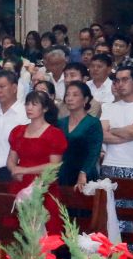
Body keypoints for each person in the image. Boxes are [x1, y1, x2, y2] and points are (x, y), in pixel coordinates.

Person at [8, 90, 68, 233]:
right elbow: (11, 158)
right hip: (20, 184)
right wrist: (13, 169)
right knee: (15, 230)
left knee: (45, 231)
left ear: (45, 108)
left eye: (34, 104)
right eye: (27, 104)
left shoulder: (54, 133)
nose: (29, 108)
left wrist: (24, 170)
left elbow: (54, 165)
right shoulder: (18, 131)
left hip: (43, 185)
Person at [100, 66, 133, 180]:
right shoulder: (108, 107)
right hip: (109, 164)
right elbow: (101, 135)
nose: (120, 84)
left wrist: (112, 130)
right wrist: (128, 133)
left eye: (125, 80)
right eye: (117, 81)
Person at [55, 80, 102, 188]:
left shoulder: (93, 123)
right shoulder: (60, 123)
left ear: (85, 99)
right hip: (63, 173)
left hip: (85, 175)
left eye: (75, 95)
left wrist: (84, 172)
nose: (69, 98)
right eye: (67, 95)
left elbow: (94, 152)